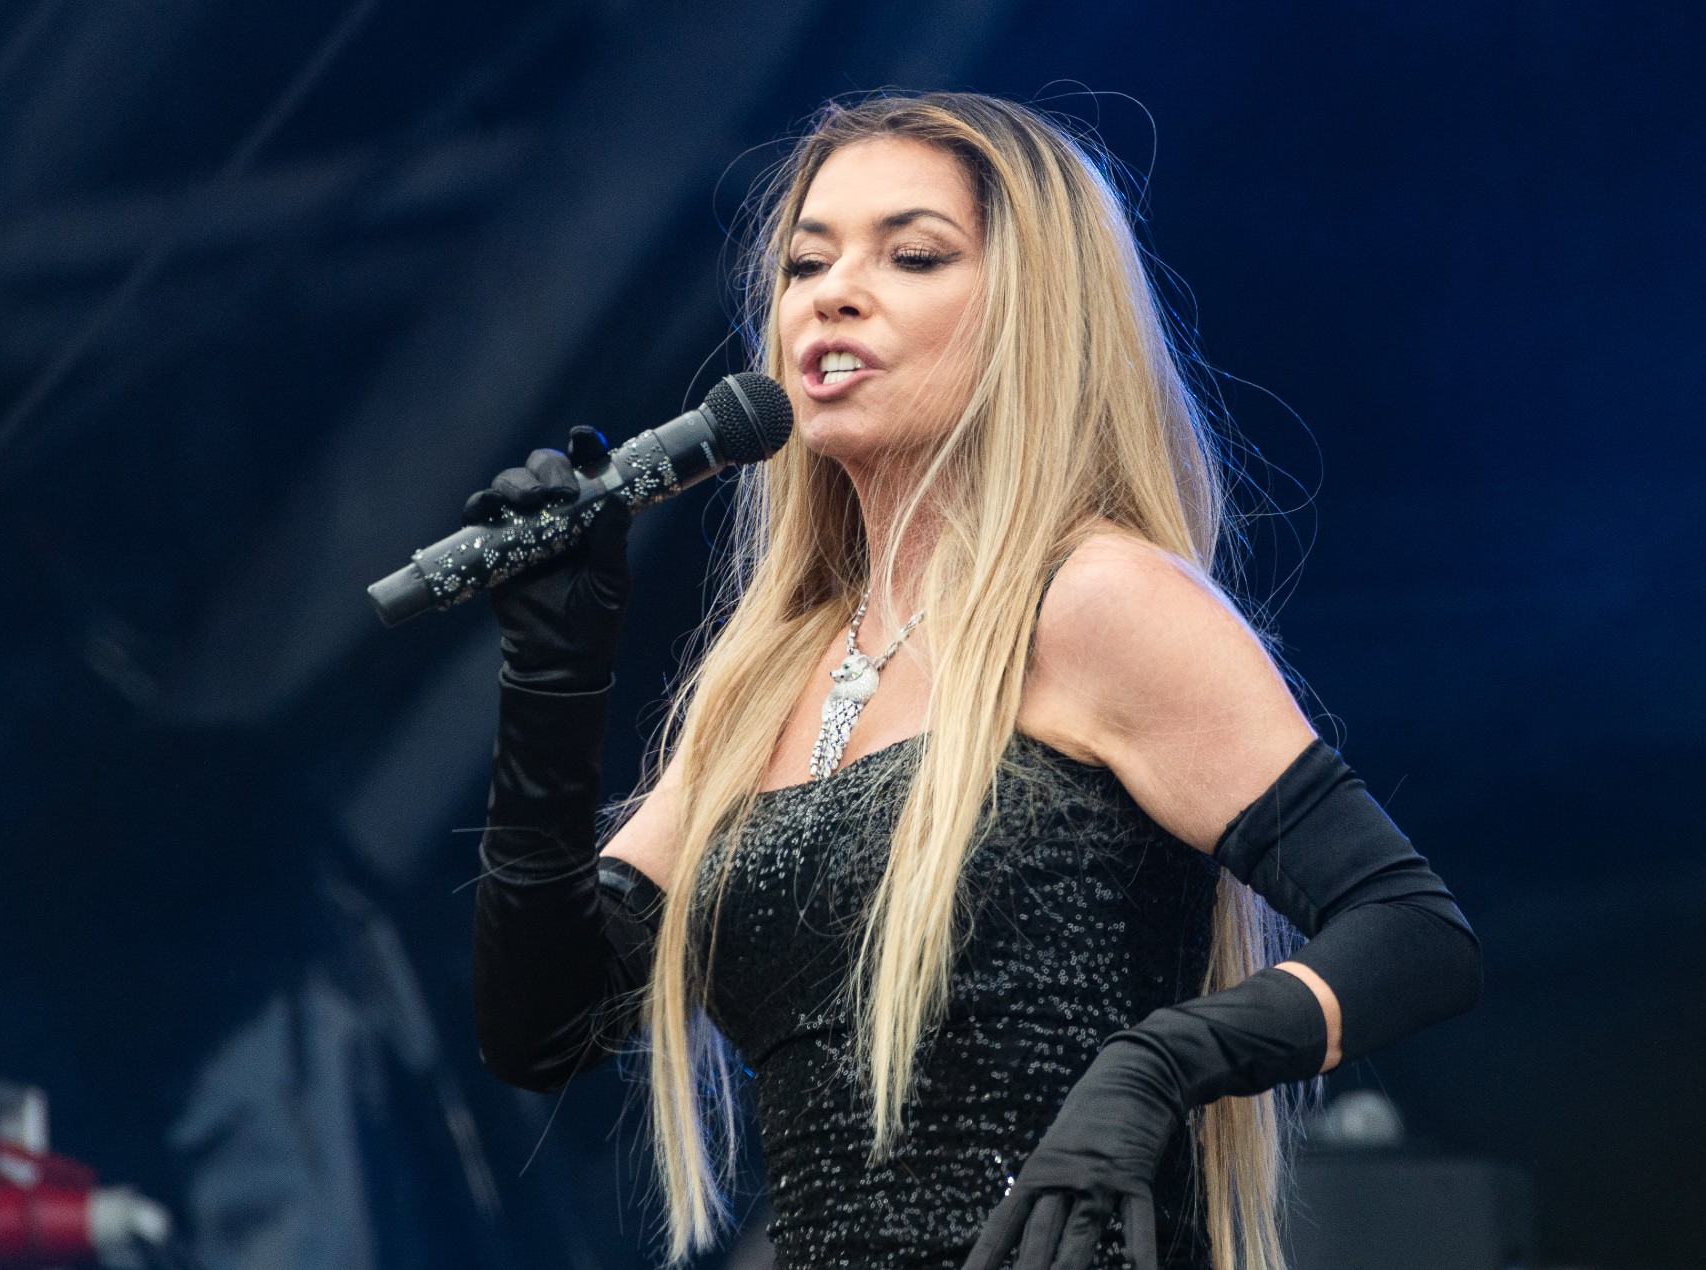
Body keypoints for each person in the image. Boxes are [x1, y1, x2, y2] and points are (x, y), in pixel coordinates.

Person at [467, 92, 1480, 1270]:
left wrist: (1157, 1064)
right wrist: (553, 675)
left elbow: (1411, 930)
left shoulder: (1096, 602)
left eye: (912, 255)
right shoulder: (765, 682)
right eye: (806, 262)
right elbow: (536, 1028)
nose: (834, 292)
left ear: (1029, 315)